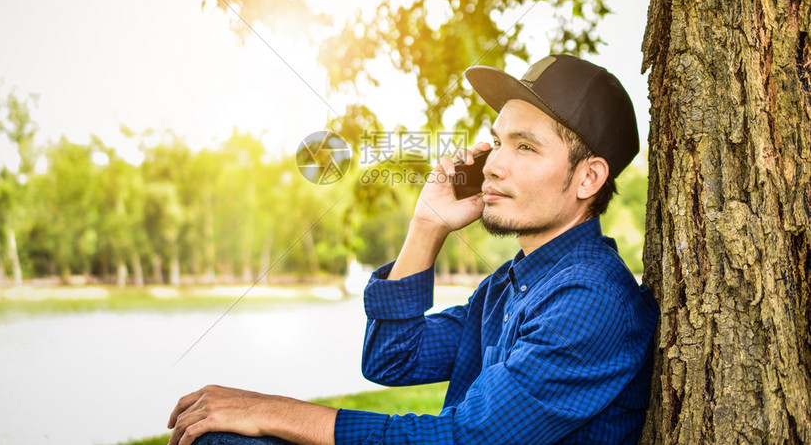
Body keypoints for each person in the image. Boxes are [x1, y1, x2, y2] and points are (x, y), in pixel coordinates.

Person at [167, 54, 660, 445]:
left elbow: (467, 439)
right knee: (220, 435)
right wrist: (427, 227)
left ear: (588, 177)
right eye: (496, 143)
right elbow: (391, 359)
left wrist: (272, 410)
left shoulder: (591, 298)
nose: (491, 166)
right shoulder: (511, 286)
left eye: (525, 147)